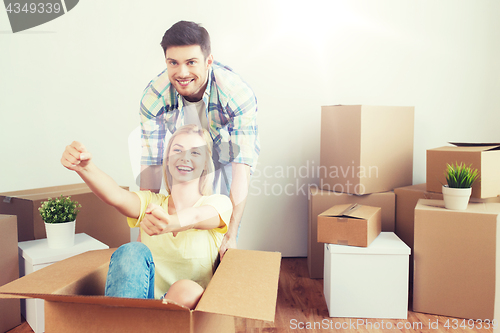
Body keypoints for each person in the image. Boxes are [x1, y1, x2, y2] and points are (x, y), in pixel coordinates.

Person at [61, 124, 233, 309]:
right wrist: (85, 168)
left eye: (195, 153)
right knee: (131, 251)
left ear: (206, 164)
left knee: (186, 289)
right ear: (167, 159)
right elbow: (117, 196)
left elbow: (196, 216)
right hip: (142, 309)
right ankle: (125, 324)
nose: (184, 157)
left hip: (188, 319)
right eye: (177, 150)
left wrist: (171, 223)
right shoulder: (152, 203)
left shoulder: (219, 203)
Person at [139, 21, 259, 258]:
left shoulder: (236, 93)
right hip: (184, 151)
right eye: (173, 63)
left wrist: (231, 235)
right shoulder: (154, 96)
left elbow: (240, 170)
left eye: (191, 62)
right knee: (178, 214)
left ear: (208, 62)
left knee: (220, 232)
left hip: (224, 155)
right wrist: (144, 233)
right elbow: (151, 167)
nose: (182, 73)